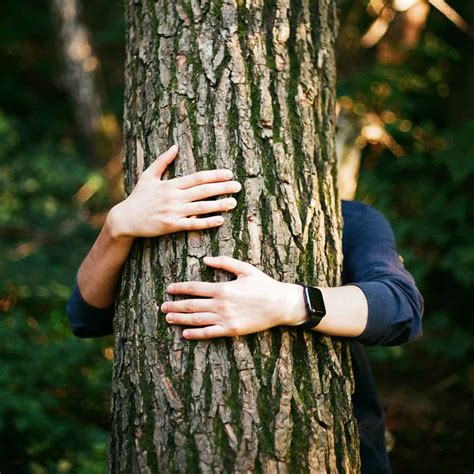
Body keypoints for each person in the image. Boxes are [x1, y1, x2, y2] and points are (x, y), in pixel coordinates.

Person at [66, 145, 423, 473]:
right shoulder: (159, 208)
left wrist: (286, 302)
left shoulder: (347, 219)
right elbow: (85, 317)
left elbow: (400, 307)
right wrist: (116, 227)